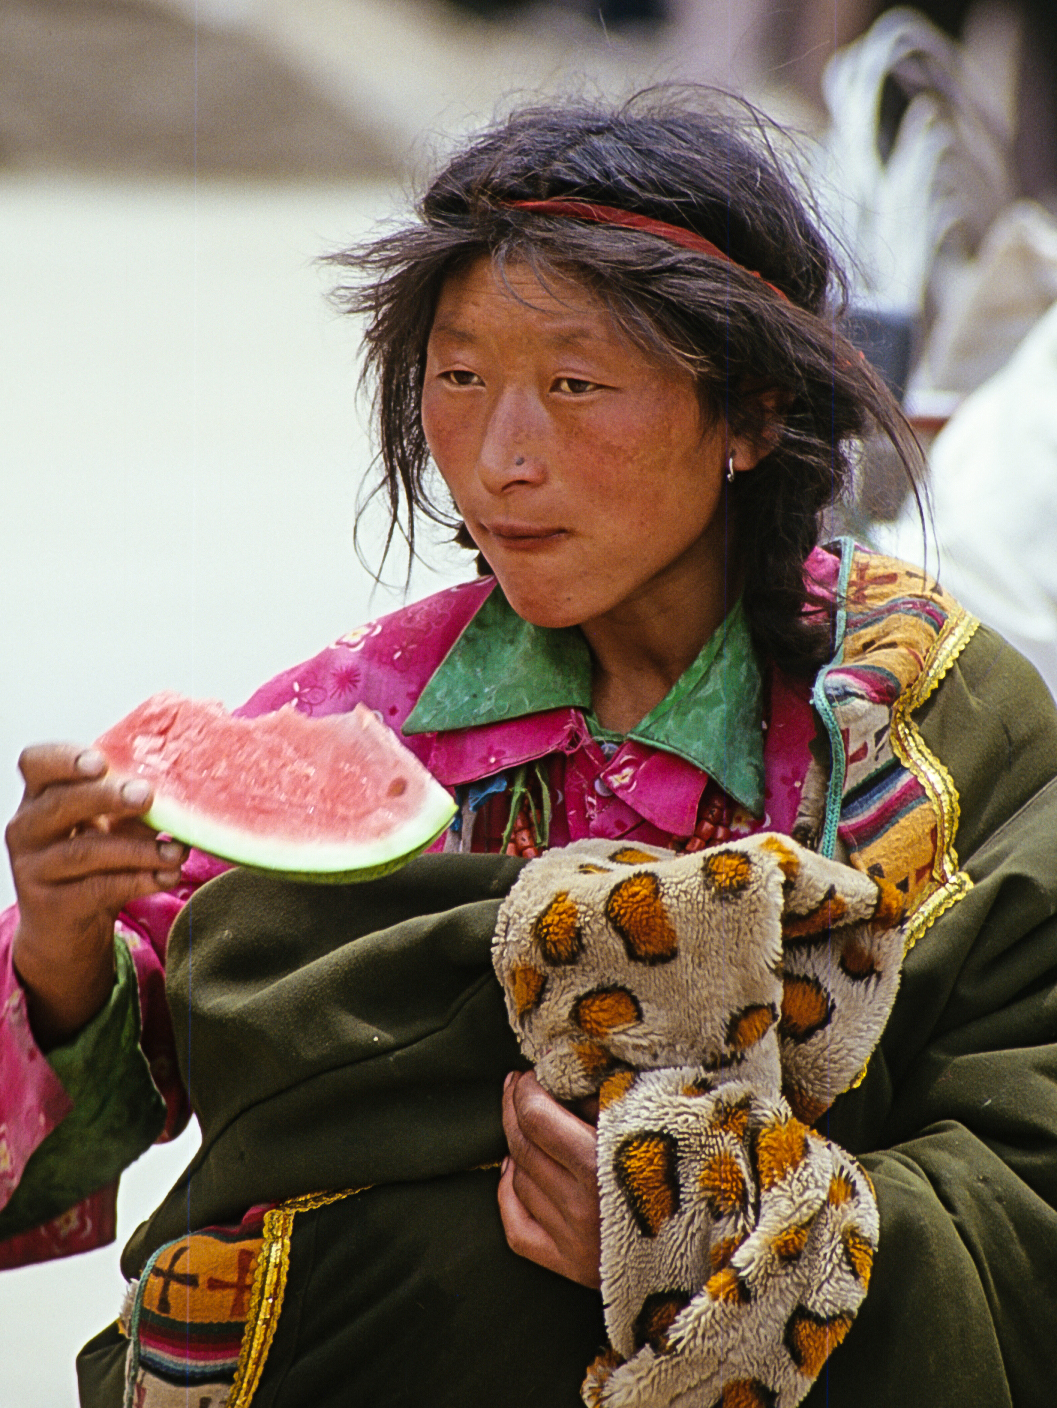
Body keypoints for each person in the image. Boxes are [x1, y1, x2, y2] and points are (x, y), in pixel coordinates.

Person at [2, 92, 1056, 1406]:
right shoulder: (358, 710)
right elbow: (141, 1065)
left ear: (747, 412)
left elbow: (1030, 1175)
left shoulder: (932, 726)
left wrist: (717, 1238)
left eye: (572, 385)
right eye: (458, 378)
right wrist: (58, 957)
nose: (500, 458)